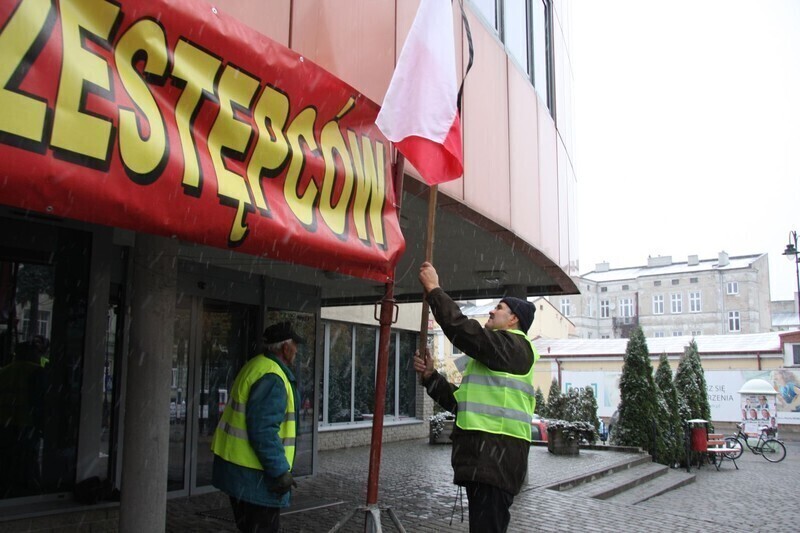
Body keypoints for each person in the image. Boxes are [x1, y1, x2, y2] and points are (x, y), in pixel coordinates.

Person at [414, 261, 539, 533]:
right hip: (486, 463)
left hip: (495, 462)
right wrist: (431, 377)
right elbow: (460, 404)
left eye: (500, 308)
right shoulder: (495, 356)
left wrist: (435, 290)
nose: (492, 310)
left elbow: (464, 331)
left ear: (514, 319)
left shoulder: (515, 347)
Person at [211, 322, 302, 533]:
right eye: (295, 345)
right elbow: (263, 431)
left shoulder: (256, 365)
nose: (297, 351)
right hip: (256, 478)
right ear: (285, 348)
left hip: (241, 474)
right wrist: (280, 471)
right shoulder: (273, 377)